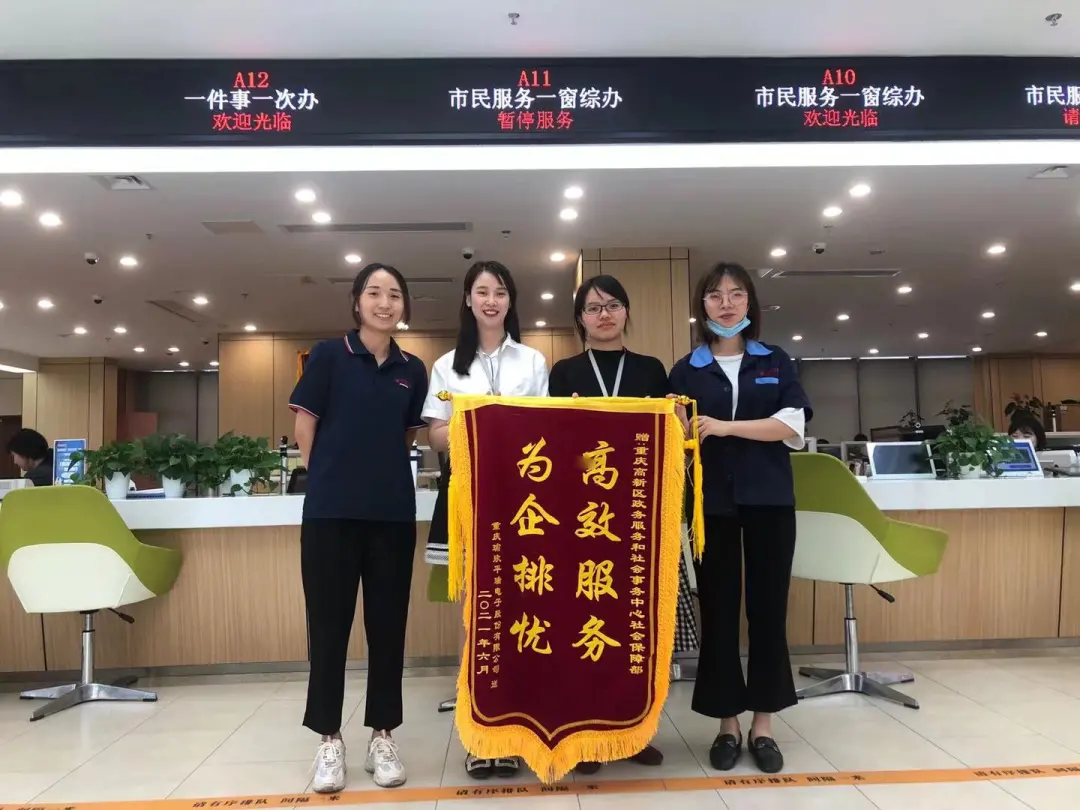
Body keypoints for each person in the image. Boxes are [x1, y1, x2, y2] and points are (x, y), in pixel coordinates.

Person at [548, 274, 699, 775]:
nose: (604, 315)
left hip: (636, 519)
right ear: (581, 319)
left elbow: (670, 442)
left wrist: (678, 422)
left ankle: (634, 734)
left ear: (627, 311)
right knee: (583, 632)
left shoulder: (651, 369)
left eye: (613, 305)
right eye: (593, 308)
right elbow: (551, 446)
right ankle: (586, 738)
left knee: (634, 632)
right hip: (582, 519)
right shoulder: (564, 373)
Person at [288, 263, 429, 793]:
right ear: (357, 302)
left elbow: (406, 436)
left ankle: (382, 736)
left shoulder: (412, 369)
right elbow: (305, 427)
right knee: (328, 628)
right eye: (374, 293)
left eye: (394, 294)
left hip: (391, 515)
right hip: (331, 516)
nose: (385, 303)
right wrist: (329, 479)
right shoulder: (328, 355)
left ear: (404, 307)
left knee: (388, 628)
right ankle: (329, 739)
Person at [669, 262, 812, 775]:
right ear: (702, 305)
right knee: (720, 612)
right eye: (715, 295)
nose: (726, 304)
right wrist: (684, 428)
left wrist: (726, 428)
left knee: (769, 611)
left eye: (735, 294)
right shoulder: (686, 369)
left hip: (770, 500)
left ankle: (763, 725)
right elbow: (677, 436)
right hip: (712, 508)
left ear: (750, 302)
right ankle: (727, 723)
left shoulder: (775, 360)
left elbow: (791, 425)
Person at [422, 260, 548, 780]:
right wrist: (479, 423)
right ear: (468, 301)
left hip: (523, 501)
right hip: (469, 497)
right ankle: (478, 734)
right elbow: (434, 435)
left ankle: (512, 728)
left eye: (500, 292)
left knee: (518, 604)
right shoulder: (446, 365)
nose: (491, 300)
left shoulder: (533, 360)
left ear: (510, 301)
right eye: (482, 292)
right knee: (476, 610)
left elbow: (545, 427)